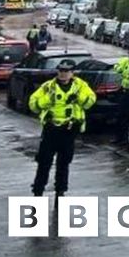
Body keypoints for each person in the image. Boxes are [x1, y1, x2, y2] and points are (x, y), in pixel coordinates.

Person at [29, 59, 96, 199]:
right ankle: (38, 190)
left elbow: (90, 101)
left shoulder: (80, 86)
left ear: (73, 73)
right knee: (44, 161)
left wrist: (78, 97)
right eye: (61, 71)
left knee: (64, 162)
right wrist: (48, 100)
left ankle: (60, 190)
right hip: (51, 128)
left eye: (67, 71)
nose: (63, 74)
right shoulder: (48, 86)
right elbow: (33, 104)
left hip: (69, 129)